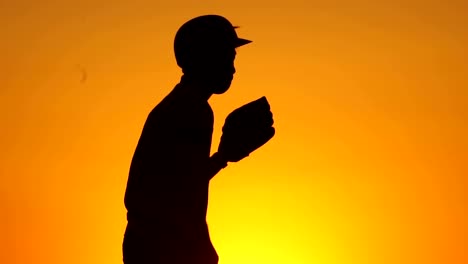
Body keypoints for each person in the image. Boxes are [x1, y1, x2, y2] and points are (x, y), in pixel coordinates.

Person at [122, 15, 275, 264]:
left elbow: (180, 181)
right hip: (163, 247)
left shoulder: (180, 105)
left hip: (152, 244)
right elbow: (175, 194)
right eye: (227, 58)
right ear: (205, 58)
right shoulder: (192, 110)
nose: (232, 68)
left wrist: (221, 158)